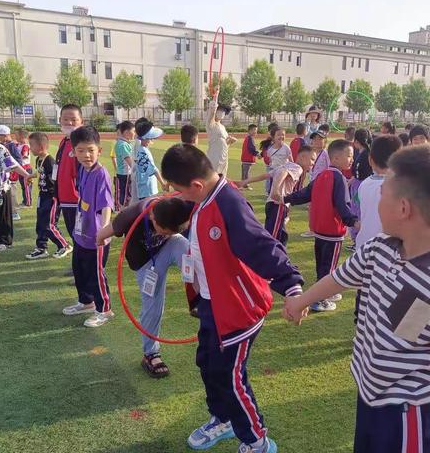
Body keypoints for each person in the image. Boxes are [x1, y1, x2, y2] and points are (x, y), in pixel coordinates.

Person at [284, 143, 430, 453]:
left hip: (408, 413)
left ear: (403, 209)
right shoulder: (380, 247)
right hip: (369, 397)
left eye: (382, 196)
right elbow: (339, 279)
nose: (376, 202)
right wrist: (301, 301)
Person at [161, 144, 303, 453]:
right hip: (212, 305)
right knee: (209, 365)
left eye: (180, 191)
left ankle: (256, 440)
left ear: (197, 185)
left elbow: (261, 246)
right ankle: (222, 419)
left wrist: (291, 285)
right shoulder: (204, 196)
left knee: (230, 375)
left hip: (238, 309)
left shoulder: (230, 204)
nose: (180, 197)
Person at [97, 197, 192, 378]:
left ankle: (202, 298)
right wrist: (100, 242)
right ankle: (151, 354)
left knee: (186, 250)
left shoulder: (178, 207)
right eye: (163, 231)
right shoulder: (130, 216)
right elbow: (101, 235)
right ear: (153, 218)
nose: (165, 234)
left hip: (170, 247)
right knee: (153, 305)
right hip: (146, 262)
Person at [285, 139, 358, 312]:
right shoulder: (339, 178)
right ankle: (319, 300)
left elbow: (304, 194)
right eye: (349, 156)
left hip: (319, 229)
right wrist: (353, 222)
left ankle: (324, 292)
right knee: (329, 267)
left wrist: (286, 198)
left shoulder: (322, 174)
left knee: (322, 264)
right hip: (332, 231)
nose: (352, 160)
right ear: (337, 158)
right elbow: (342, 205)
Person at [62, 126, 114, 327]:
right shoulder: (83, 170)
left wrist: (104, 230)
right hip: (81, 232)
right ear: (74, 152)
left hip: (97, 236)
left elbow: (106, 205)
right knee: (80, 270)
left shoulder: (101, 174)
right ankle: (86, 302)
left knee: (95, 273)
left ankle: (104, 309)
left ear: (99, 150)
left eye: (91, 150)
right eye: (81, 150)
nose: (86, 155)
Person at [0, 120, 33, 251]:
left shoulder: (0, 149)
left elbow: (13, 165)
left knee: (3, 217)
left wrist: (26, 174)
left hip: (0, 190)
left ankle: (5, 241)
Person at [236, 150, 305, 245]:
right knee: (274, 237)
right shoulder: (297, 168)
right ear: (302, 158)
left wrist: (245, 181)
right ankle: (267, 256)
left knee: (281, 235)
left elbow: (265, 175)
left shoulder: (285, 165)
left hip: (271, 204)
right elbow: (284, 173)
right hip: (278, 204)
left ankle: (281, 256)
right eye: (312, 159)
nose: (313, 163)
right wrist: (276, 190)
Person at [25, 133, 71, 260]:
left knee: (49, 225)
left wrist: (56, 197)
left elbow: (57, 178)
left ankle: (64, 245)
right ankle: (41, 248)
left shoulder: (50, 161)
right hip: (42, 195)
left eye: (32, 145)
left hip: (52, 197)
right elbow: (39, 171)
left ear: (40, 147)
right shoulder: (39, 159)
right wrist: (31, 176)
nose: (30, 148)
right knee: (40, 223)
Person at [356, 135, 402, 249]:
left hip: (363, 245)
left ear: (370, 160)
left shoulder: (365, 184)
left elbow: (358, 202)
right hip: (387, 250)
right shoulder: (401, 186)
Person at [51, 104, 84, 251]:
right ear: (60, 120)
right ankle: (80, 265)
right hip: (64, 198)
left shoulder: (82, 144)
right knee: (74, 234)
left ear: (81, 122)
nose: (69, 123)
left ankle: (86, 268)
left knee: (82, 235)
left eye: (74, 120)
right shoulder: (64, 141)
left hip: (76, 199)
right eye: (65, 119)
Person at [347, 129, 373, 251]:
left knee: (358, 212)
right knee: (356, 209)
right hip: (358, 185)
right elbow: (356, 174)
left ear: (357, 141)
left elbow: (362, 174)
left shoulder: (367, 155)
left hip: (362, 186)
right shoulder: (362, 153)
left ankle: (359, 240)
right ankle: (356, 240)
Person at [206, 87, 237, 176]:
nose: (222, 112)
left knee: (222, 180)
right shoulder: (211, 124)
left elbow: (225, 143)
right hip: (214, 157)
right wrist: (216, 95)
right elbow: (212, 110)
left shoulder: (222, 127)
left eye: (223, 111)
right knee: (212, 179)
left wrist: (231, 141)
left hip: (223, 157)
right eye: (220, 110)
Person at [133, 121, 168, 201]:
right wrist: (163, 184)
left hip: (144, 189)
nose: (152, 140)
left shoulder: (141, 149)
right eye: (150, 138)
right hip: (148, 189)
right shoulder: (144, 152)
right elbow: (154, 169)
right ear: (146, 138)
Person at [0, 125, 23, 221]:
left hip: (12, 176)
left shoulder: (11, 146)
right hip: (4, 176)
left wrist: (11, 169)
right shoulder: (4, 145)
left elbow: (19, 160)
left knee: (12, 194)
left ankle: (15, 212)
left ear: (5, 135)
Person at [114, 120, 135, 210]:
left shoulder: (123, 143)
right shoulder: (123, 145)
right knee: (125, 194)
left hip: (124, 173)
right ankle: (122, 211)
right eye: (133, 131)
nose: (134, 133)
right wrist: (137, 171)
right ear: (126, 132)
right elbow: (129, 161)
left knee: (125, 193)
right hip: (125, 174)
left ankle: (122, 210)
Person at [14, 128, 33, 208]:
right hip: (21, 168)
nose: (15, 137)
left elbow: (24, 156)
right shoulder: (18, 145)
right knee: (23, 186)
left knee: (27, 186)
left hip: (26, 169)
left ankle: (28, 203)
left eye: (17, 135)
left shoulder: (25, 146)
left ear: (22, 137)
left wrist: (16, 158)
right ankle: (24, 201)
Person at [240, 124, 259, 188]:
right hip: (247, 159)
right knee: (246, 173)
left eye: (256, 130)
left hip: (245, 159)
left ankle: (243, 184)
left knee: (244, 173)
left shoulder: (248, 138)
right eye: (253, 130)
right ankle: (246, 185)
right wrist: (257, 154)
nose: (255, 132)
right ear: (249, 131)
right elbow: (251, 148)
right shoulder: (250, 138)